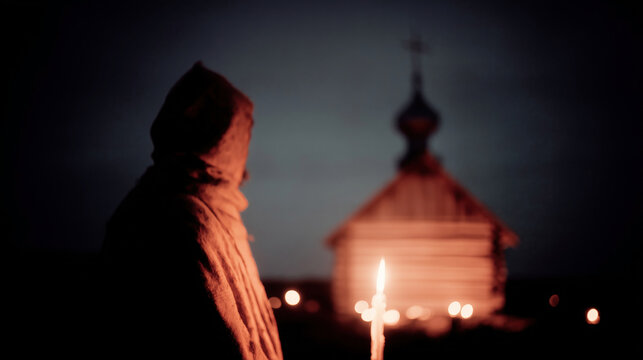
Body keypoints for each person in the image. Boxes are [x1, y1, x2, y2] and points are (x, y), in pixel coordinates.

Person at [102, 62, 282, 359]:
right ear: (221, 134)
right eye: (242, 136)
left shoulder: (217, 214)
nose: (245, 160)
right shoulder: (178, 218)